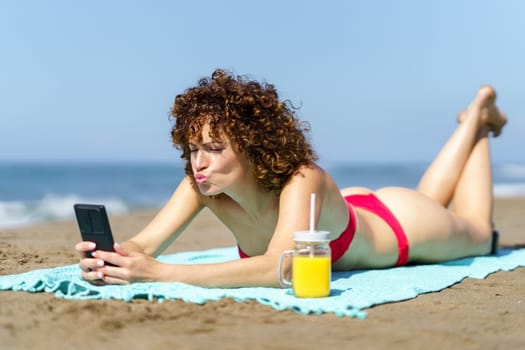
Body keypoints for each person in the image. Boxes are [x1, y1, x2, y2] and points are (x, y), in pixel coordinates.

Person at [75, 69, 508, 288]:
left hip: (401, 227)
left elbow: (280, 267)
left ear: (255, 146)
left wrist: (159, 274)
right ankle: (472, 121)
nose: (198, 163)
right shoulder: (201, 184)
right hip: (352, 213)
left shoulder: (302, 178)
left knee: (478, 230)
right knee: (432, 196)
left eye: (214, 148)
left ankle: (477, 121)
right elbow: (146, 246)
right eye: (192, 149)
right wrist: (115, 258)